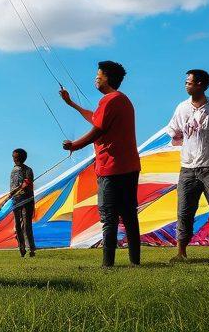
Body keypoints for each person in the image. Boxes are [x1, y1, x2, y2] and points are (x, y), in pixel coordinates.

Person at [60, 60, 141, 268]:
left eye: (99, 76)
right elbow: (97, 120)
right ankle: (135, 262)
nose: (96, 79)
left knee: (108, 216)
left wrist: (74, 145)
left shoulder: (109, 100)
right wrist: (72, 105)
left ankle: (108, 265)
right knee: (129, 215)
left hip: (111, 168)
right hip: (129, 166)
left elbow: (98, 130)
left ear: (108, 78)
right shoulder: (121, 100)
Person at [167, 68, 209, 260]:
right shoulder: (182, 108)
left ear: (200, 85)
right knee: (184, 210)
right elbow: (174, 132)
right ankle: (181, 251)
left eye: (188, 82)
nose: (185, 84)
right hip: (188, 168)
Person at [9, 148, 35, 258]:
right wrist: (12, 193)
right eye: (14, 157)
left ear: (22, 158)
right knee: (18, 226)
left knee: (27, 225)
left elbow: (27, 182)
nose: (15, 159)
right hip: (15, 201)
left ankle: (31, 249)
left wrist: (23, 186)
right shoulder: (13, 170)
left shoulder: (28, 170)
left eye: (17, 157)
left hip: (27, 200)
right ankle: (21, 247)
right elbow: (12, 185)